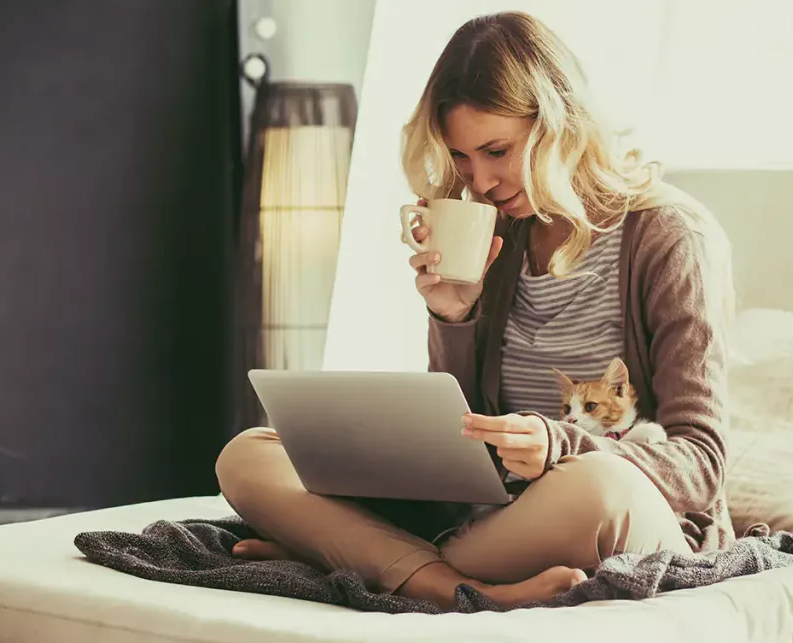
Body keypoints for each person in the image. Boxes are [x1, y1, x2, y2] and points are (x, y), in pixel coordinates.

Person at [215, 10, 737, 611]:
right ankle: (468, 588)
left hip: (617, 514)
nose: (481, 181)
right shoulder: (502, 235)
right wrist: (453, 317)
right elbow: (466, 449)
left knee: (598, 486)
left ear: (560, 124)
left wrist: (562, 445)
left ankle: (352, 557)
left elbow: (701, 462)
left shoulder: (669, 236)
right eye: (462, 158)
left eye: (496, 150)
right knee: (250, 455)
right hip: (495, 519)